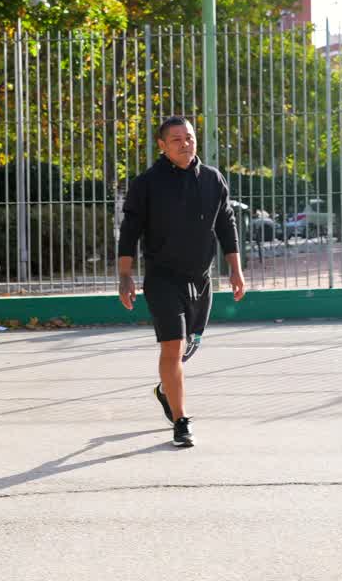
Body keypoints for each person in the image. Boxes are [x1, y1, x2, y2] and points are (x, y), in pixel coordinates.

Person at [117, 116, 246, 448]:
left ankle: (165, 389)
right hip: (162, 279)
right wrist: (125, 276)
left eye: (189, 137)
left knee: (188, 348)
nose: (185, 143)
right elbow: (129, 232)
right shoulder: (147, 184)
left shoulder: (213, 180)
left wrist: (235, 269)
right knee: (172, 347)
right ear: (162, 145)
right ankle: (180, 420)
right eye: (176, 139)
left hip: (201, 281)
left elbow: (226, 225)